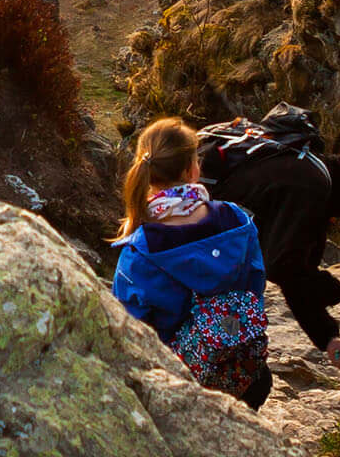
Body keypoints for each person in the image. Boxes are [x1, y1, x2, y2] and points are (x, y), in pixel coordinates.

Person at [202, 113, 340, 350]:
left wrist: (328, 338)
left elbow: (298, 272)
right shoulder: (311, 186)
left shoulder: (317, 179)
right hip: (196, 259)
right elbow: (283, 268)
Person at [109, 117, 273, 407]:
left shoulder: (142, 247)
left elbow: (131, 325)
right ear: (191, 170)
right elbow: (256, 284)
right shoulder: (235, 218)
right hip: (243, 372)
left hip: (180, 382)